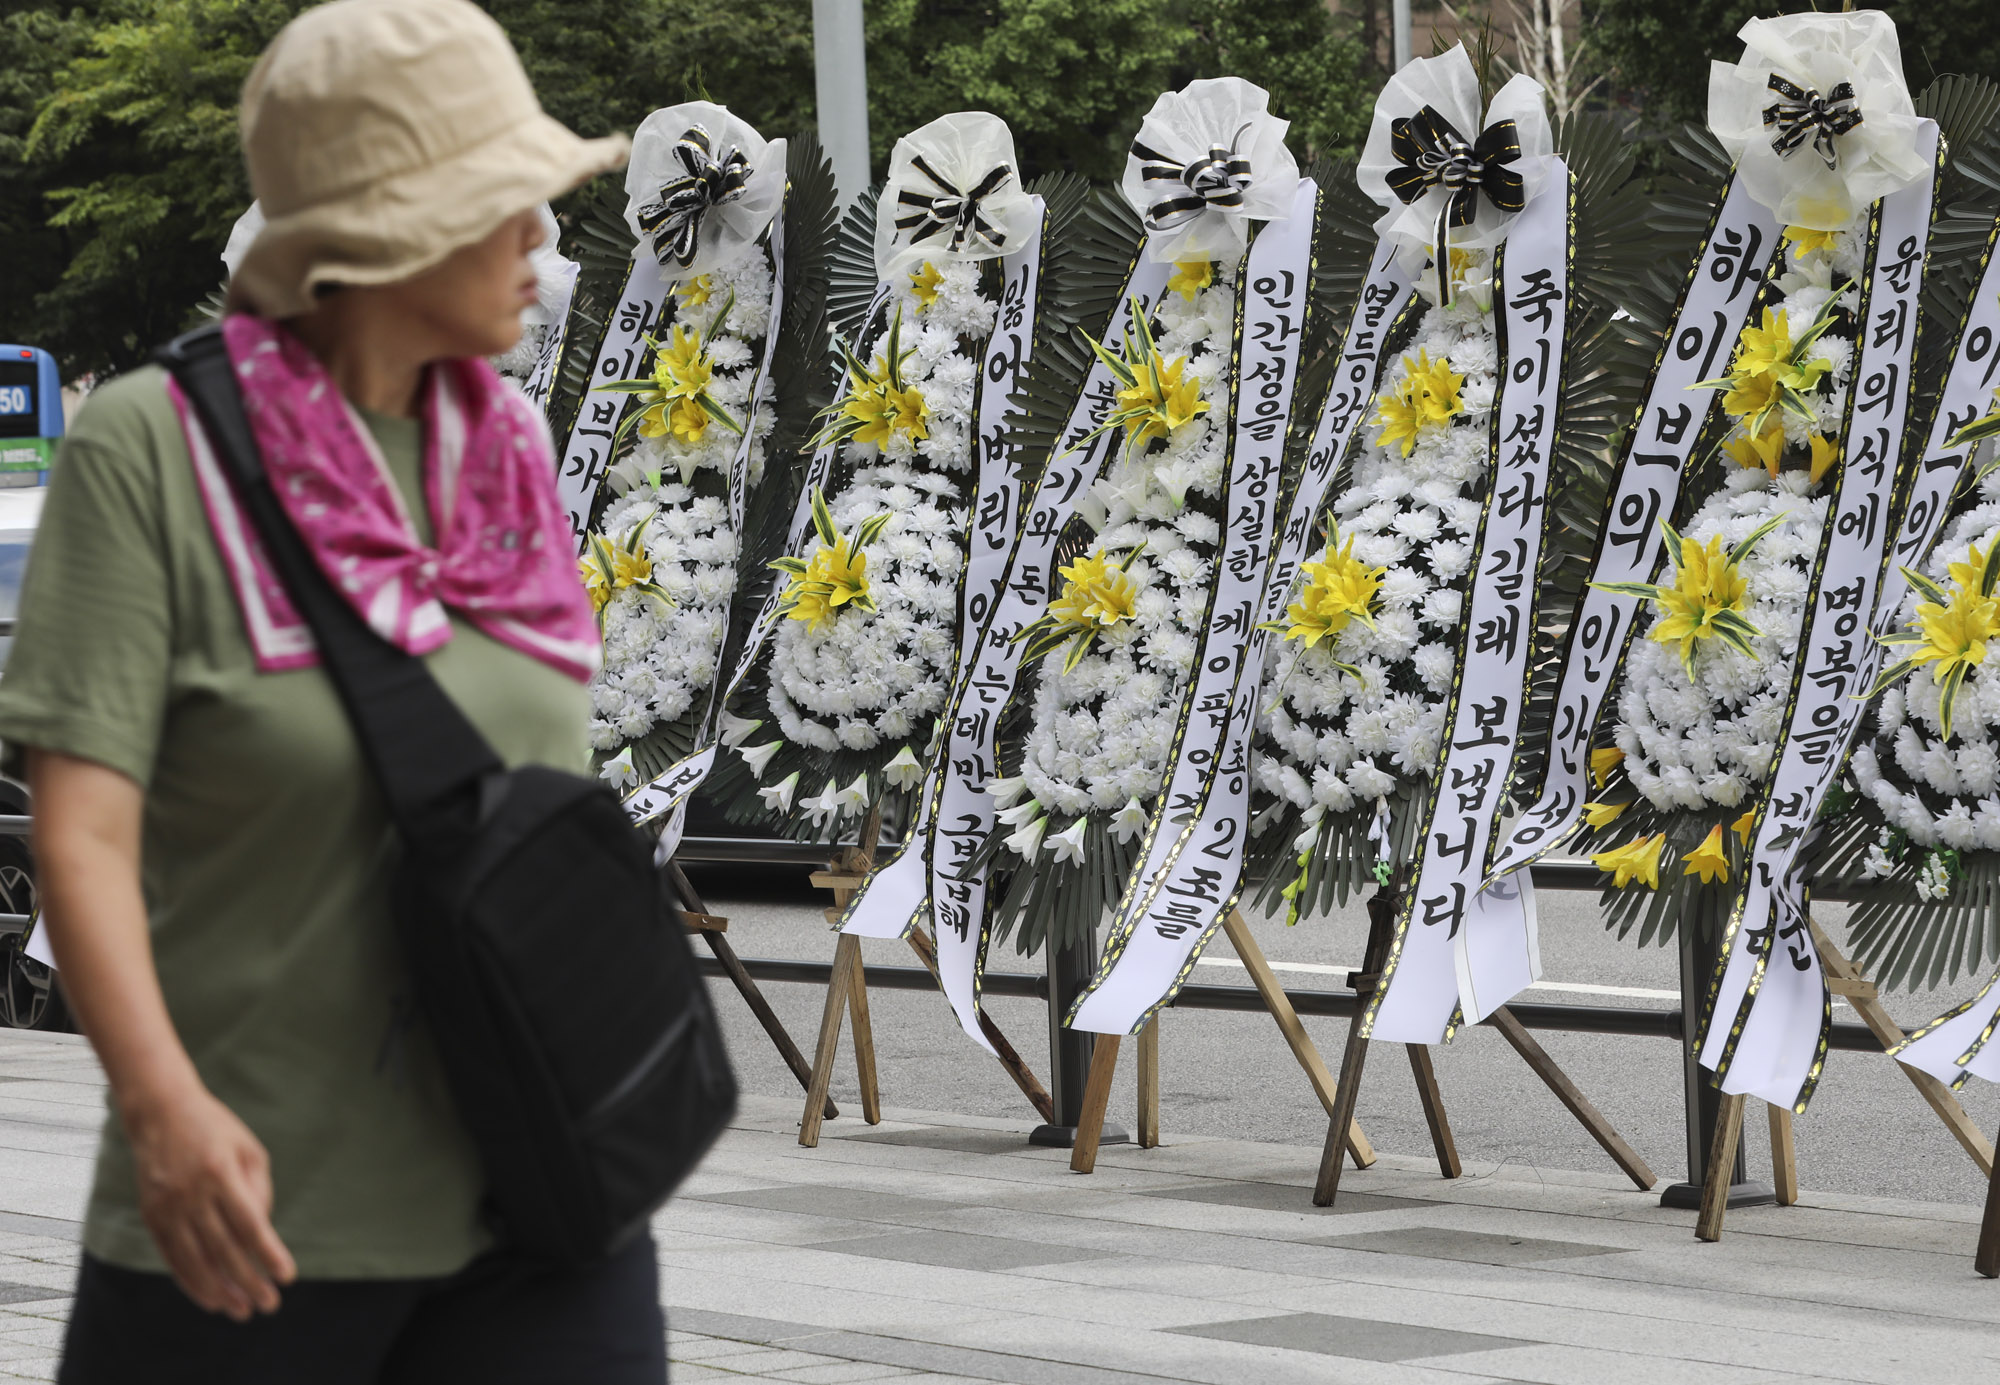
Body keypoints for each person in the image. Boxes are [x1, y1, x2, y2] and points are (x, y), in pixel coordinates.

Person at [0, 2, 662, 1379]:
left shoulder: (512, 449)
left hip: (548, 1201)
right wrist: (163, 1108)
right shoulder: (149, 449)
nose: (543, 235)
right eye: (506, 200)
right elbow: (82, 834)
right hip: (248, 1217)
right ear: (381, 226)